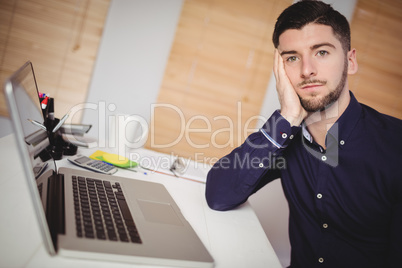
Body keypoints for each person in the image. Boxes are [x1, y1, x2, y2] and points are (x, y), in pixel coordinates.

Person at [205, 0, 402, 267]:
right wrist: (287, 118)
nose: (306, 70)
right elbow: (219, 195)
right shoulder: (286, 136)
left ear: (350, 61)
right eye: (292, 58)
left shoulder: (395, 146)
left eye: (321, 52)